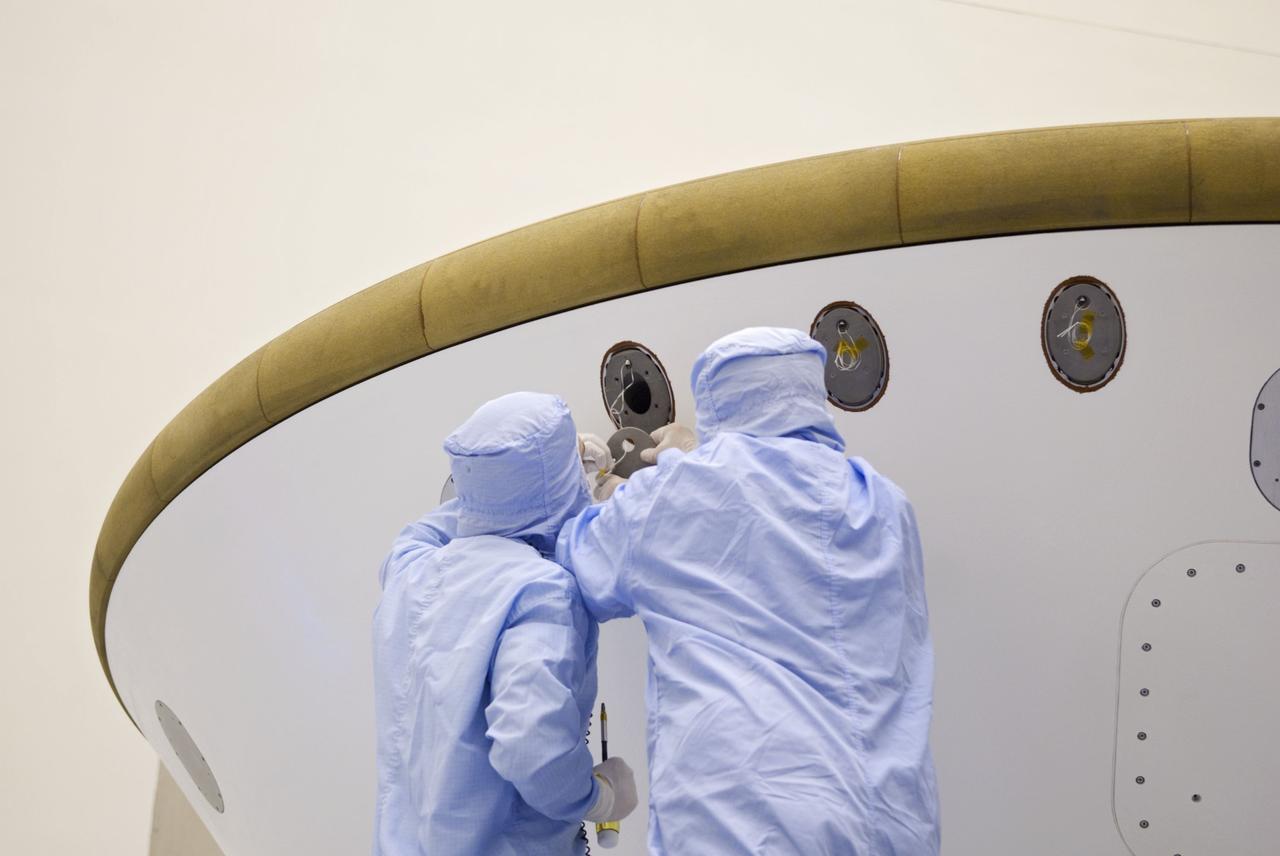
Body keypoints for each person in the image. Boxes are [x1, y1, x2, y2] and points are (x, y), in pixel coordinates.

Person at [558, 327, 940, 854]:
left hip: (739, 828)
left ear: (717, 399)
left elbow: (578, 561)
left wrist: (593, 485)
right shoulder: (884, 502)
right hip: (889, 824)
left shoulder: (673, 496)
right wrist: (690, 462)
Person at [372, 392, 637, 856]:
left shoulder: (411, 573)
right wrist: (599, 797)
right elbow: (528, 743)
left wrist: (528, 485)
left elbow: (425, 531)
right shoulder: (542, 592)